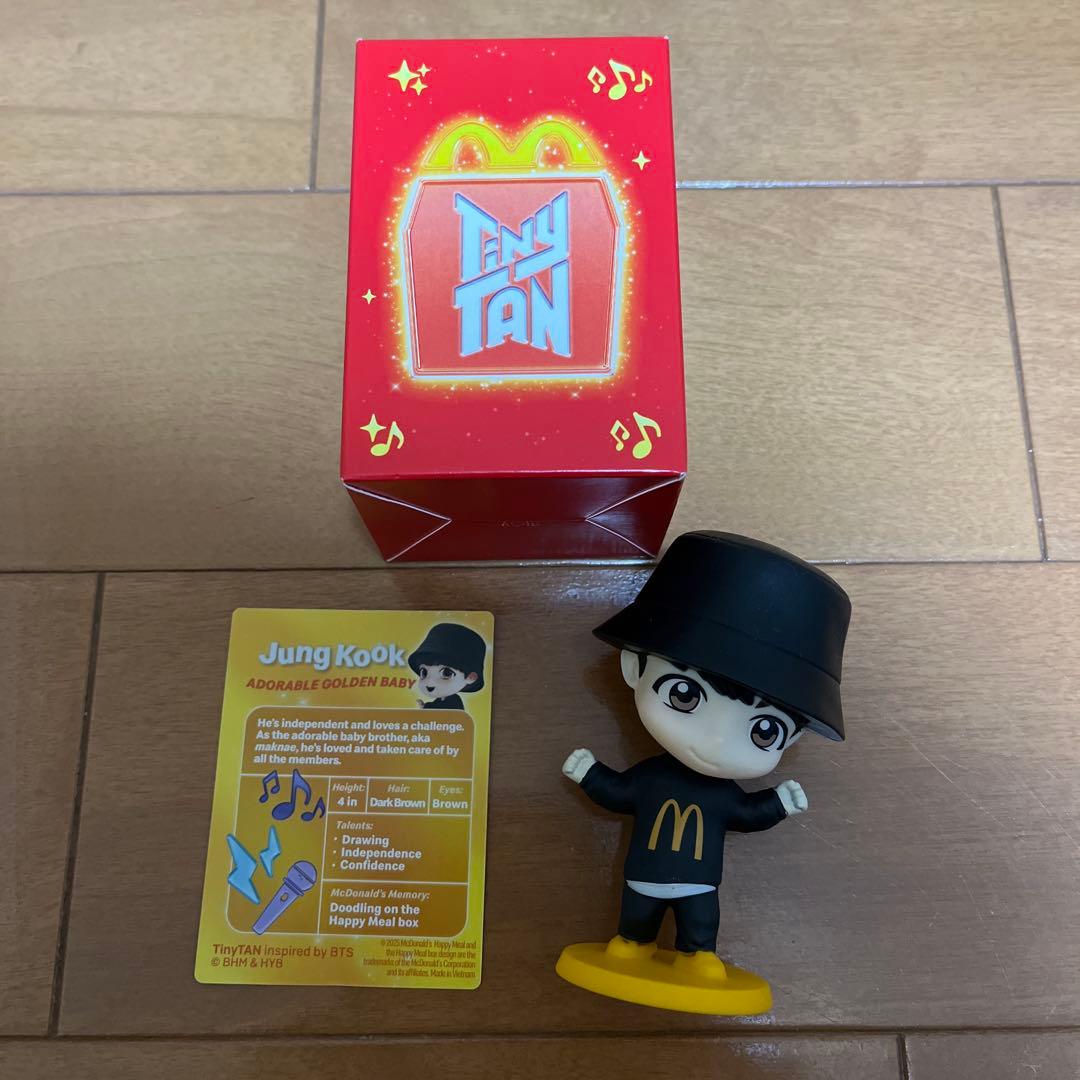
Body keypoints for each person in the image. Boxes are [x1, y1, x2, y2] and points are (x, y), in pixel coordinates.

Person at [557, 531, 851, 1014]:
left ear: (793, 738)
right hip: (643, 878)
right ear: (635, 667)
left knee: (699, 923)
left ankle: (697, 955)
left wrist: (777, 803)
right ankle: (630, 944)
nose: (715, 742)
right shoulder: (650, 777)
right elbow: (620, 792)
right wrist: (591, 775)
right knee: (635, 919)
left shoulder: (721, 796)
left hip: (698, 886)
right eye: (685, 695)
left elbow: (747, 813)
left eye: (763, 730)